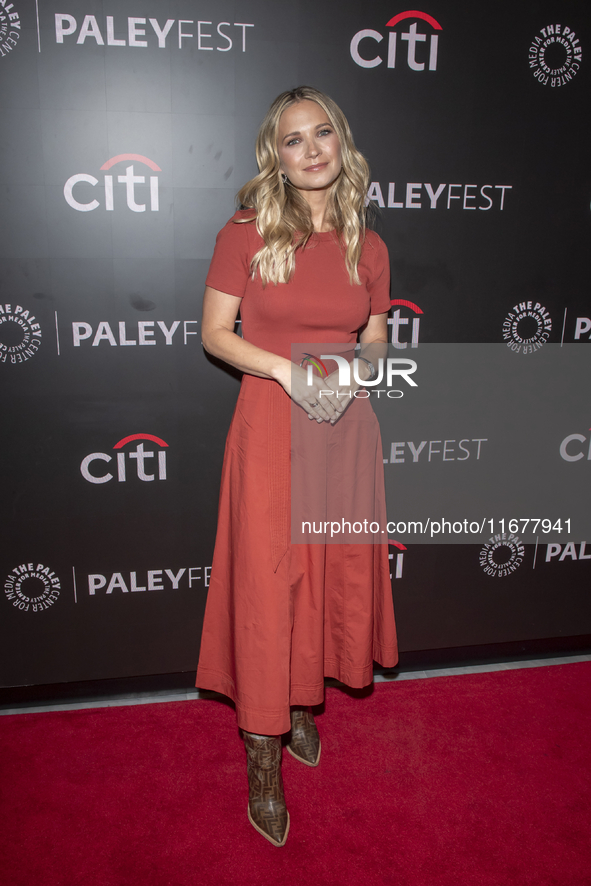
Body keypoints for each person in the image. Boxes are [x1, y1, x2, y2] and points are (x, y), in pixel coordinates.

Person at [195, 86, 398, 847]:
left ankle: (302, 697)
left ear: (340, 143)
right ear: (273, 156)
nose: (311, 150)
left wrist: (352, 372)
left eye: (323, 135)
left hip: (344, 423)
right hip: (272, 417)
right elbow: (216, 333)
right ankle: (261, 752)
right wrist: (289, 372)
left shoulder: (366, 244)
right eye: (292, 140)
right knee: (267, 580)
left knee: (326, 567)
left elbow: (375, 336)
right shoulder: (244, 232)